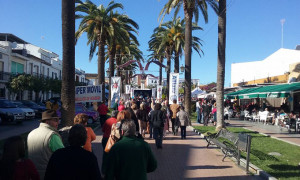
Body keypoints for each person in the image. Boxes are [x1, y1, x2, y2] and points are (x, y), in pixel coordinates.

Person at [27, 110, 64, 180]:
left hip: (32, 174)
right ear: (47, 121)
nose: (58, 122)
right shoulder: (52, 135)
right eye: (55, 120)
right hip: (48, 174)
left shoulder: (31, 133)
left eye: (58, 119)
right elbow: (63, 157)